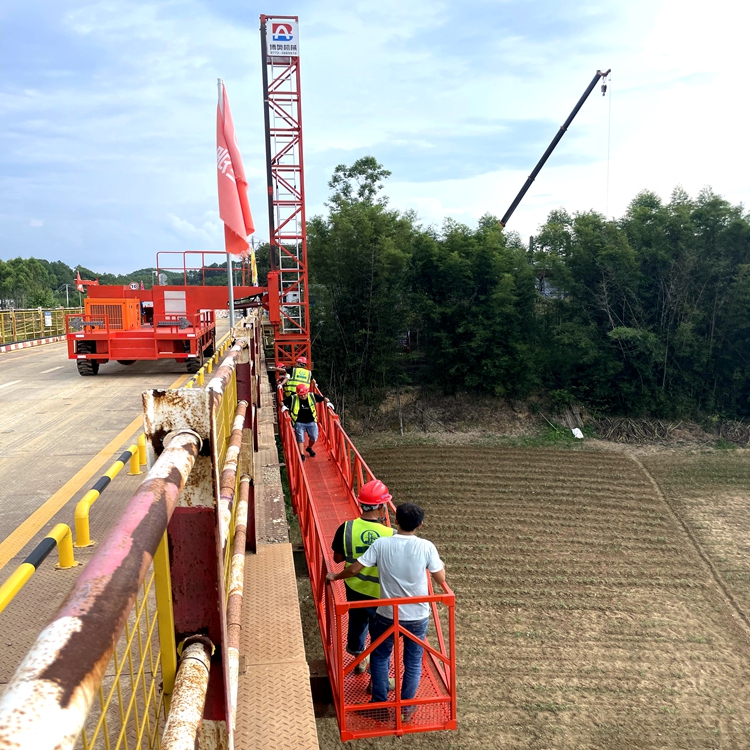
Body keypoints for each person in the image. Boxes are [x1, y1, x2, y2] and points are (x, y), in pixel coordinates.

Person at [327, 502, 446, 719]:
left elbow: (353, 568)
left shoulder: (381, 544)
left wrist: (334, 576)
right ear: (420, 524)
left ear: (396, 520)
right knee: (412, 660)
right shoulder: (427, 547)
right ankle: (406, 708)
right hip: (418, 615)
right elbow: (440, 578)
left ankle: (379, 705)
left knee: (380, 656)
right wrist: (440, 565)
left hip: (388, 613)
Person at [330, 480, 395, 675]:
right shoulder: (391, 534)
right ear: (382, 506)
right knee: (381, 631)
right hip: (381, 593)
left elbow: (338, 558)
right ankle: (377, 675)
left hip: (355, 587)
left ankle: (359, 659)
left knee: (358, 622)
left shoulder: (347, 528)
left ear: (361, 504)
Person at [281, 383, 327, 462]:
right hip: (299, 422)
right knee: (300, 438)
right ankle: (301, 454)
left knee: (314, 437)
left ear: (307, 392)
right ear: (297, 394)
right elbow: (282, 402)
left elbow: (323, 398)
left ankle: (309, 448)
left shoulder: (312, 396)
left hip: (311, 421)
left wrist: (328, 402)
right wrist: (283, 406)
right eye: (301, 395)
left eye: (304, 394)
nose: (303, 396)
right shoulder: (293, 398)